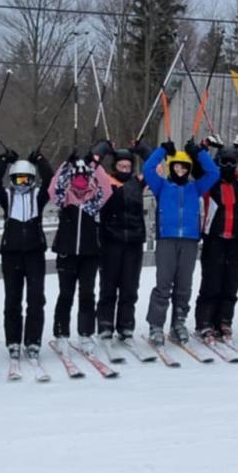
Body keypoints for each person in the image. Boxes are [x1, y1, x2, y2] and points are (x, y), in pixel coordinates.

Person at [142, 140, 218, 343]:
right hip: (167, 239)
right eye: (176, 167)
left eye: (184, 168)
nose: (180, 171)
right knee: (163, 284)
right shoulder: (161, 186)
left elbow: (214, 173)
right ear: (171, 167)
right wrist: (162, 151)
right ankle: (156, 325)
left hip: (189, 241)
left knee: (184, 285)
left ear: (189, 169)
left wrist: (199, 153)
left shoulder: (195, 187)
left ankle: (179, 322)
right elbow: (147, 169)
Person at [0, 150, 55, 361]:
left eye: (26, 179)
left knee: (36, 299)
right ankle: (13, 341)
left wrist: (41, 161)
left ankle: (33, 340)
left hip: (34, 254)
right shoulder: (7, 197)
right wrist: (3, 161)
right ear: (12, 180)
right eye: (18, 179)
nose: (22, 183)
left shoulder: (38, 197)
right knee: (12, 300)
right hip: (11, 255)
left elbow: (51, 182)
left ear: (33, 180)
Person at [49, 154, 113, 344]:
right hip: (66, 254)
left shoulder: (94, 201)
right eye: (76, 177)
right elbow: (52, 188)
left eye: (84, 177)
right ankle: (61, 333)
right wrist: (65, 164)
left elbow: (107, 188)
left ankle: (86, 333)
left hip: (89, 254)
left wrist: (95, 164)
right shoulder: (65, 199)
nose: (80, 181)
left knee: (87, 294)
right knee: (65, 294)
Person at [194, 146, 238, 341]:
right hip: (214, 238)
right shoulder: (210, 181)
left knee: (231, 282)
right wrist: (203, 148)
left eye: (232, 161)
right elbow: (196, 166)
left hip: (237, 239)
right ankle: (205, 321)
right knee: (211, 282)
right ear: (217, 162)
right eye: (223, 161)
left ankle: (224, 320)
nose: (228, 165)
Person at [96, 142, 147, 341]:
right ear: (114, 166)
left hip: (133, 241)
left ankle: (125, 324)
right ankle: (105, 323)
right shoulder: (105, 182)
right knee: (109, 285)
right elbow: (92, 165)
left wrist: (141, 149)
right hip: (111, 241)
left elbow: (155, 166)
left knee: (129, 286)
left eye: (128, 166)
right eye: (121, 166)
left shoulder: (137, 183)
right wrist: (104, 149)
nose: (124, 170)